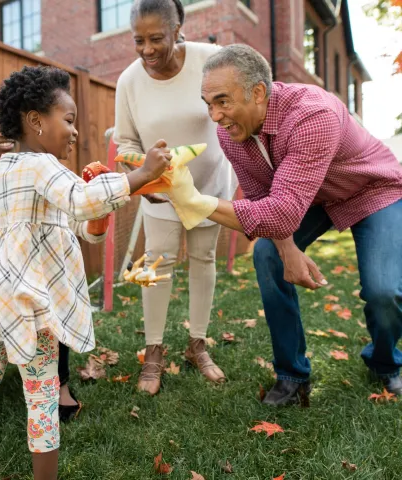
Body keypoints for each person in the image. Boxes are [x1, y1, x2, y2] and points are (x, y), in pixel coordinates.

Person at [0, 65, 170, 480]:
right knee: (42, 396)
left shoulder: (7, 170)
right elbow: (81, 202)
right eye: (70, 119)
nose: (75, 131)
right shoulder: (42, 167)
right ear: (36, 121)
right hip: (29, 304)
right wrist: (142, 175)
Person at [172, 43, 402, 406]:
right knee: (267, 254)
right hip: (311, 196)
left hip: (371, 188)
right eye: (208, 103)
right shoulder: (231, 132)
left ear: (258, 92)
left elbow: (279, 213)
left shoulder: (313, 115)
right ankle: (292, 375)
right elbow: (265, 201)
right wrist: (288, 250)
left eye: (223, 101)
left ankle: (385, 361)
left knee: (383, 291)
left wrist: (196, 203)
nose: (215, 116)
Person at [0, 92, 107, 422]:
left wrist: (98, 215)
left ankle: (59, 381)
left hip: (37, 297)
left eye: (7, 122)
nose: (2, 131)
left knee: (51, 292)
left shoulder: (45, 175)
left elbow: (84, 227)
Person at [114, 0, 236, 396]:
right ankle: (153, 351)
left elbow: (232, 112)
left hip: (209, 188)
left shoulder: (211, 60)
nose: (147, 49)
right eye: (138, 40)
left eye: (156, 38)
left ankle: (197, 344)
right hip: (159, 195)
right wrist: (140, 180)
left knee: (204, 259)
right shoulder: (129, 81)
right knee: (157, 266)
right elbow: (126, 141)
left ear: (178, 28)